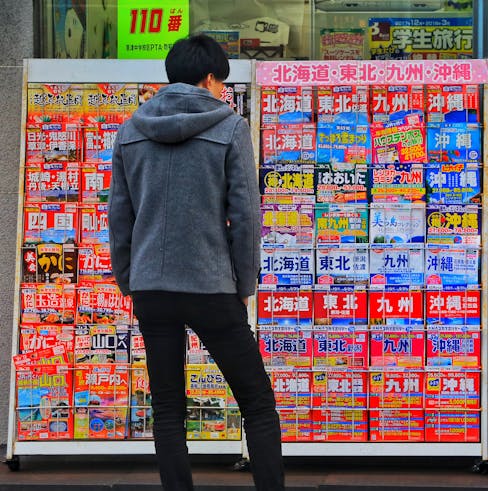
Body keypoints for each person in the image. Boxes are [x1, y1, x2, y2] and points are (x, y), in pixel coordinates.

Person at [108, 34, 284, 491]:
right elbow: (245, 215)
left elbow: (119, 216)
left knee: (168, 408)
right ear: (209, 79)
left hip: (151, 286)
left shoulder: (130, 131)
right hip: (211, 285)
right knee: (257, 403)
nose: (224, 91)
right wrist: (244, 283)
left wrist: (130, 280)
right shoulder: (228, 127)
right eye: (222, 82)